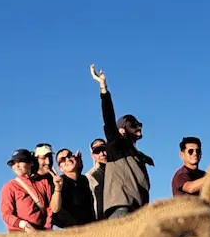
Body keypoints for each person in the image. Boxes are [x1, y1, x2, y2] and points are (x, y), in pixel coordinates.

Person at [90, 64, 153, 219]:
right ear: (122, 130)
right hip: (121, 209)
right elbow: (108, 119)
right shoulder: (115, 146)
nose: (138, 126)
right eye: (132, 123)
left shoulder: (137, 155)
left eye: (138, 123)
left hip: (137, 211)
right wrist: (103, 88)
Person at [0, 148, 59, 233]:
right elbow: (6, 214)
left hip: (42, 234)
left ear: (30, 163)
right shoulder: (9, 187)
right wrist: (22, 224)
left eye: (20, 161)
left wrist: (47, 229)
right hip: (20, 235)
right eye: (13, 163)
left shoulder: (44, 183)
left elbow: (49, 209)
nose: (16, 166)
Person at [52, 148, 97, 227]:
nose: (68, 159)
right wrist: (58, 189)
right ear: (60, 168)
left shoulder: (84, 180)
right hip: (66, 231)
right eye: (62, 159)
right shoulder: (58, 182)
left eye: (70, 155)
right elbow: (55, 209)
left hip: (88, 228)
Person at [87, 137, 107, 219]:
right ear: (92, 155)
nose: (102, 154)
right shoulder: (90, 176)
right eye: (97, 151)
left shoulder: (119, 169)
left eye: (104, 149)